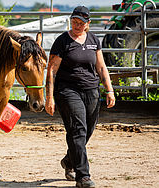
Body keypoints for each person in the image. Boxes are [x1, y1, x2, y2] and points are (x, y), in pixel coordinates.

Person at [45, 6, 115, 188]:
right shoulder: (62, 41)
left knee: (88, 130)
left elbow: (101, 67)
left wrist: (109, 89)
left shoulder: (93, 40)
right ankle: (83, 176)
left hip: (91, 90)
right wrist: (49, 97)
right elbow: (51, 70)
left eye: (81, 23)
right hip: (68, 91)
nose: (77, 25)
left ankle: (70, 161)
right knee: (78, 129)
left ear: (88, 24)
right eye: (74, 22)